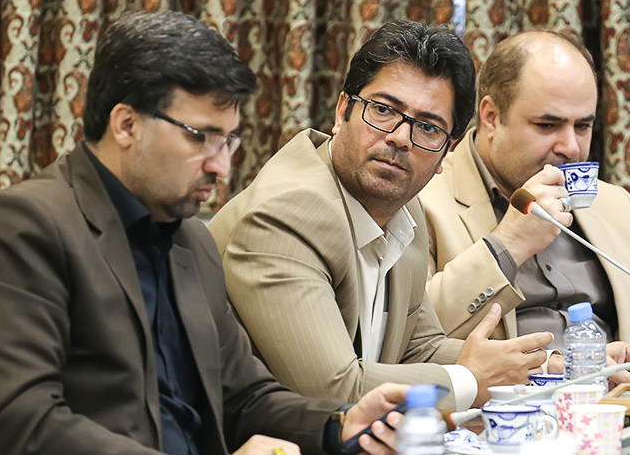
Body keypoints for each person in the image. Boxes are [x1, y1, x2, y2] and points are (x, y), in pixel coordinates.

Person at [0, 11, 411, 455]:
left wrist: (339, 425)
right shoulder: (21, 228)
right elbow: (22, 425)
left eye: (228, 141)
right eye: (201, 137)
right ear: (126, 125)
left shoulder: (190, 241)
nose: (220, 166)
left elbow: (243, 395)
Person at [209, 21, 552, 413]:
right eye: (384, 110)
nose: (400, 138)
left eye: (428, 127)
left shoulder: (402, 206)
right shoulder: (284, 215)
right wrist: (469, 381)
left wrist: (543, 367)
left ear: (447, 150)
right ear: (343, 111)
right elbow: (333, 392)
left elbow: (421, 349)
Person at [419, 30, 630, 379]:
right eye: (548, 125)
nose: (570, 147)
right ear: (491, 116)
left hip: (612, 404)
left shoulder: (613, 207)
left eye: (582, 126)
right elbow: (412, 339)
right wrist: (508, 245)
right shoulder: (422, 198)